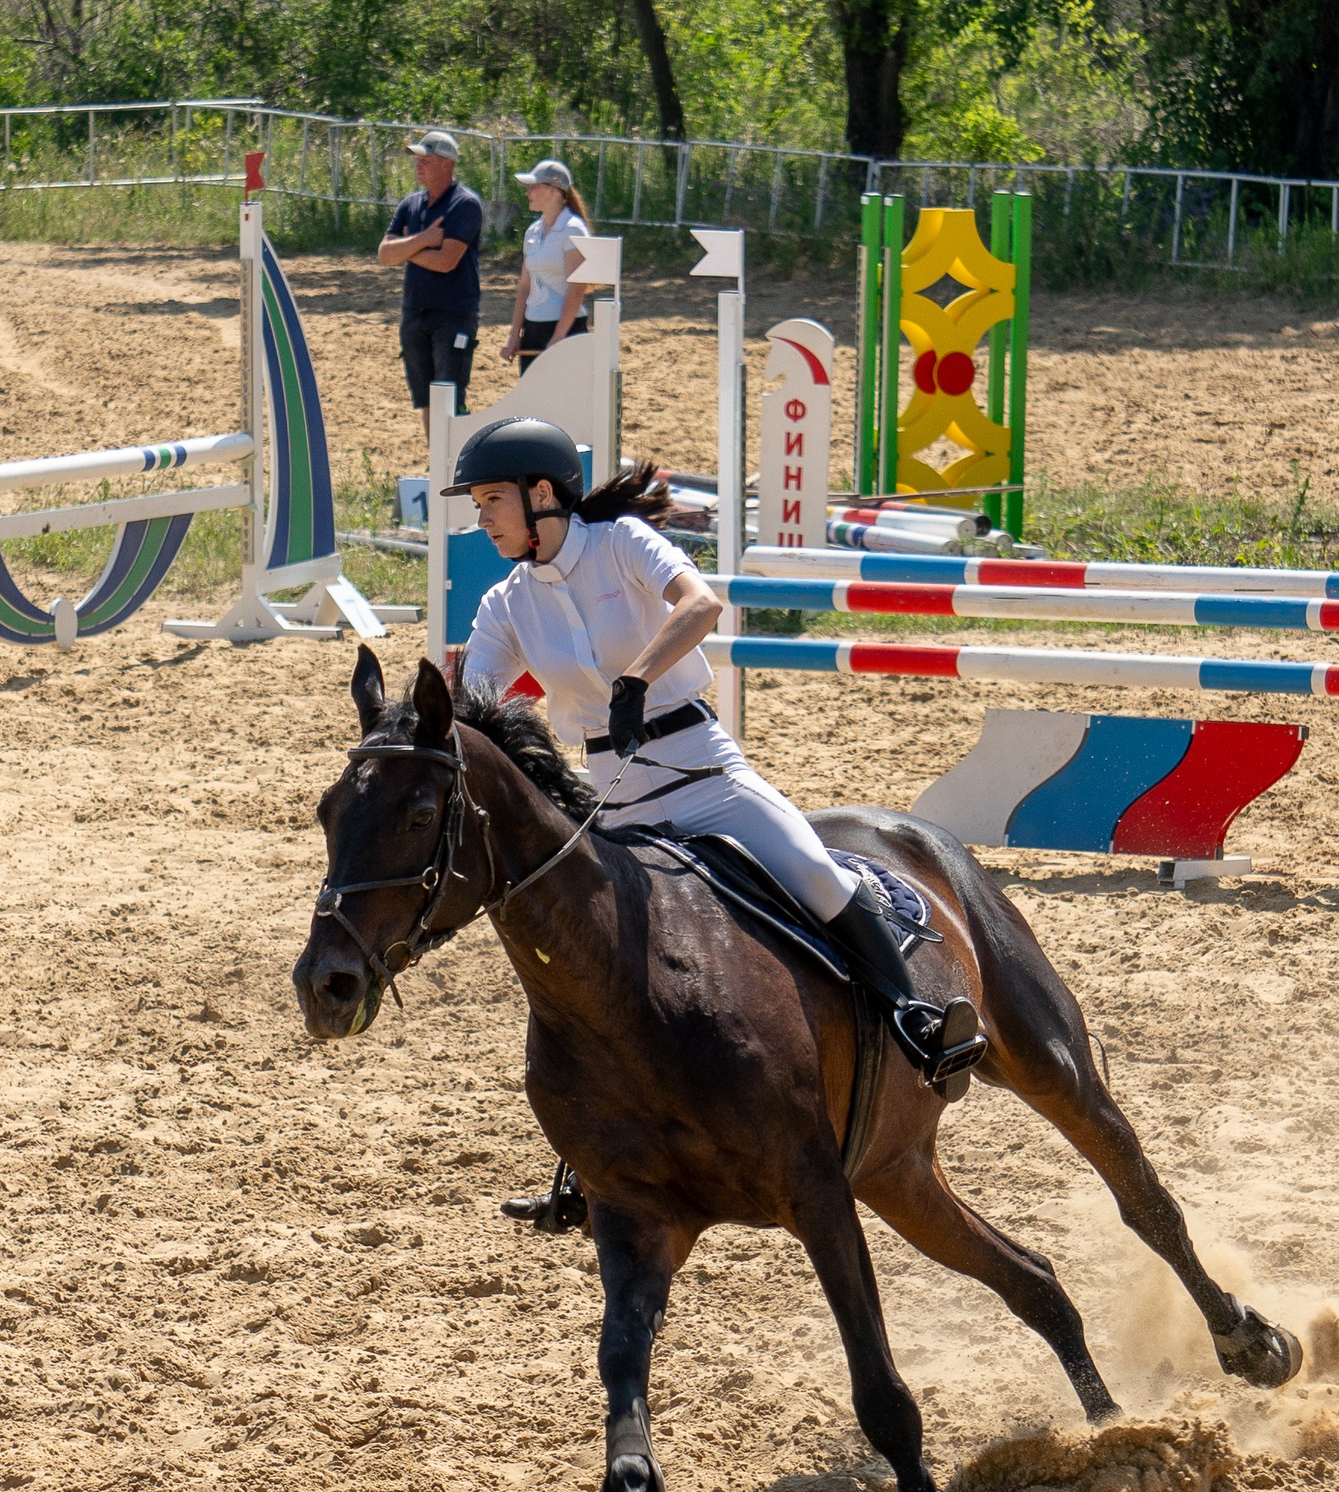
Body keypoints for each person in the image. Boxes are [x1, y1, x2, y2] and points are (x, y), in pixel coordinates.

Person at [445, 418, 988, 1233]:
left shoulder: (620, 542)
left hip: (702, 771)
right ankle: (581, 1165)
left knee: (815, 874)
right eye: (479, 504)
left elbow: (700, 602)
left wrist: (638, 677)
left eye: (491, 501)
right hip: (613, 795)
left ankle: (916, 1018)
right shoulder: (507, 603)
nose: (482, 519)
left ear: (542, 494)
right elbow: (473, 705)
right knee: (600, 966)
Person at [376, 131, 484, 431]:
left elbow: (446, 262)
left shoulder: (465, 204)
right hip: (414, 313)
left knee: (450, 397)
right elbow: (384, 254)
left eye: (426, 160)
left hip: (453, 315)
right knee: (425, 399)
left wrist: (407, 249)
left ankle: (457, 467)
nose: (417, 166)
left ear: (447, 164)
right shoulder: (410, 203)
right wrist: (423, 240)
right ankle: (436, 466)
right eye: (417, 160)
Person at [499, 159, 592, 374]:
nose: (527, 193)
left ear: (552, 190)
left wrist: (559, 337)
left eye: (533, 187)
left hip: (566, 328)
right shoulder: (532, 231)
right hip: (534, 328)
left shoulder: (573, 229)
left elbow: (577, 286)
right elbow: (524, 286)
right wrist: (515, 335)